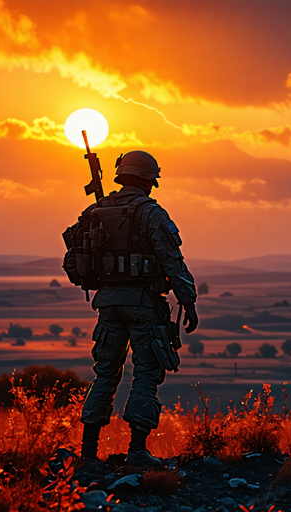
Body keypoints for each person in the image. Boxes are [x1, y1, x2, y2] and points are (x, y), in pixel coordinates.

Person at [71, 150, 198, 468]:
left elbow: (72, 261)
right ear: (148, 180)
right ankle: (137, 451)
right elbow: (173, 261)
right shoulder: (151, 213)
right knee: (146, 373)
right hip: (143, 304)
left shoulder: (95, 211)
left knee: (105, 374)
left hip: (108, 304)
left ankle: (88, 454)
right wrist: (188, 299)